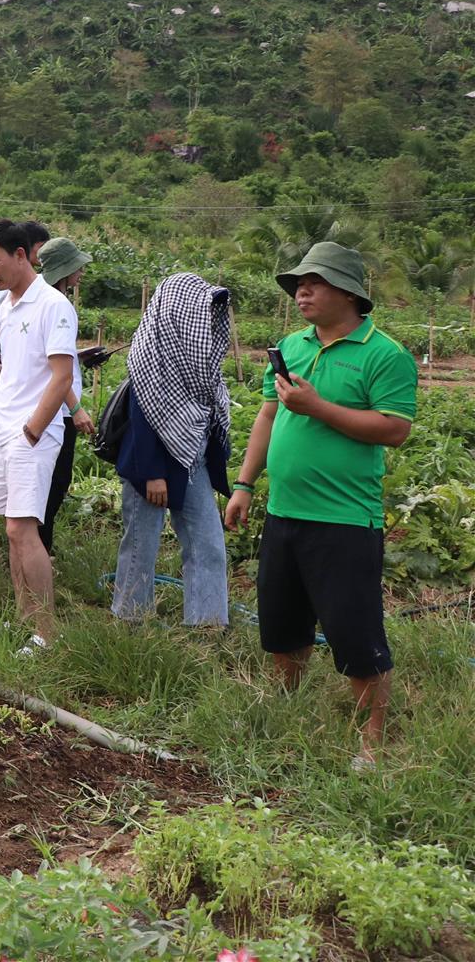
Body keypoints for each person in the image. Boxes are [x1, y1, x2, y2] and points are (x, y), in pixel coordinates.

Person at [224, 242, 416, 767]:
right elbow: (269, 415)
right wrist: (244, 484)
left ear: (349, 293)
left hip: (345, 520)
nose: (302, 292)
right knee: (282, 625)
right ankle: (282, 711)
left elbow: (394, 429)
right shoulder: (293, 344)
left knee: (355, 633)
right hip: (285, 512)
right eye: (298, 285)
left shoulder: (385, 354)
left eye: (314, 283)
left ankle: (371, 744)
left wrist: (318, 406)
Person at [0, 218, 78, 653]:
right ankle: (25, 619)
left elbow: (62, 376)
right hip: (2, 431)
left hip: (30, 434)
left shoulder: (53, 305)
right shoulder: (4, 305)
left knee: (23, 528)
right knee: (11, 530)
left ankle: (47, 633)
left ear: (21, 255)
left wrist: (32, 429)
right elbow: (0, 371)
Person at [111, 273, 232, 627]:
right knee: (141, 546)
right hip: (151, 468)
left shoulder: (197, 359)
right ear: (178, 312)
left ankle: (207, 625)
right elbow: (142, 418)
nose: (205, 321)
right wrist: (152, 474)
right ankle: (131, 621)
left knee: (208, 543)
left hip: (191, 462)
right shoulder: (149, 357)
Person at [34, 236, 95, 551]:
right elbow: (56, 371)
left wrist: (80, 357)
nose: (81, 272)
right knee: (55, 482)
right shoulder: (59, 306)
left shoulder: (38, 301)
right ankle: (40, 550)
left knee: (47, 483)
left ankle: (39, 546)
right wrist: (76, 408)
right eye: (77, 266)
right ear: (65, 269)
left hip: (46, 405)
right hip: (58, 410)